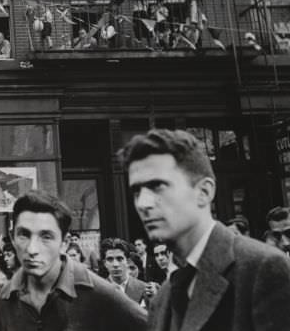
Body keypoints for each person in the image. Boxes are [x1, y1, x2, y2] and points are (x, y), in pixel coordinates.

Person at [123, 128, 290, 331]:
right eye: (136, 191)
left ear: (204, 191)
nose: (143, 203)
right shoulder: (163, 298)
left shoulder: (262, 269)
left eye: (157, 185)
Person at [0, 191, 146, 331]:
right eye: (24, 234)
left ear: (64, 243)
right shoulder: (8, 296)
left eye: (46, 237)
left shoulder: (99, 292)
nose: (32, 249)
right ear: (12, 238)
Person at [100, 238, 147, 305]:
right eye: (110, 259)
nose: (115, 264)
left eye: (119, 259)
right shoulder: (99, 290)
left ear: (127, 262)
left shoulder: (144, 288)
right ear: (105, 263)